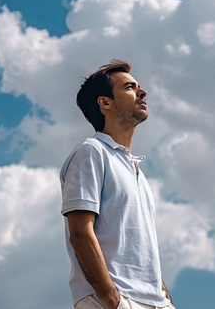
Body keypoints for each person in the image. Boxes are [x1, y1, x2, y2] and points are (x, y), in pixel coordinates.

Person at [60, 59, 175, 309]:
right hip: (114, 301)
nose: (142, 92)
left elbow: (142, 249)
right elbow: (79, 233)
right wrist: (114, 302)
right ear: (105, 102)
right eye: (130, 87)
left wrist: (165, 298)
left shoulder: (136, 171)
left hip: (154, 303)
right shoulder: (91, 152)